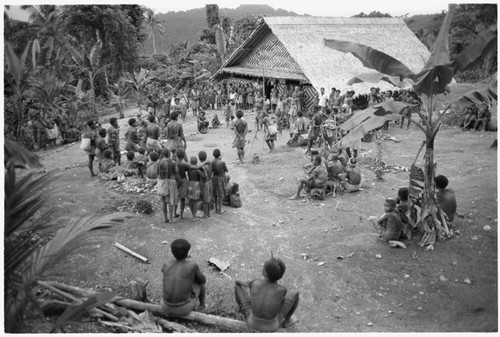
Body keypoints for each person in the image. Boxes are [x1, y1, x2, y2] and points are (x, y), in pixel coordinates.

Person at [234, 255, 299, 332]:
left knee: (238, 287)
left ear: (264, 272)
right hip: (272, 326)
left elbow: (237, 282)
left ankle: (241, 310)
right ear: (280, 276)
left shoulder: (255, 283)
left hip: (251, 323)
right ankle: (287, 321)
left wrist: (250, 284)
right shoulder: (282, 290)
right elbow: (279, 305)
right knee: (295, 293)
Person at [161, 239, 206, 317]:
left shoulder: (166, 264)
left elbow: (165, 272)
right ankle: (202, 306)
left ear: (172, 252)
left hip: (165, 307)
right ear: (187, 252)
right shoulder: (193, 265)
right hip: (183, 309)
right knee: (200, 283)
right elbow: (203, 280)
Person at [157, 149, 178, 223]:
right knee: (170, 201)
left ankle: (165, 218)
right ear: (169, 154)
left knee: (164, 201)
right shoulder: (172, 162)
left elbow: (158, 174)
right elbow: (176, 172)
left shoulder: (159, 162)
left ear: (162, 155)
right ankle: (171, 219)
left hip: (162, 183)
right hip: (171, 182)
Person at [187, 156, 205, 221]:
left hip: (189, 184)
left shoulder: (189, 169)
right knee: (195, 202)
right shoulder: (197, 170)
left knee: (191, 201)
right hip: (195, 185)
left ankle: (193, 214)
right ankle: (194, 217)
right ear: (196, 162)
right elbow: (203, 176)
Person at [211, 149, 228, 214]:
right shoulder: (222, 162)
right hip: (221, 178)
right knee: (220, 195)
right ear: (219, 154)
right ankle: (220, 210)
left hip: (214, 178)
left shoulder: (212, 162)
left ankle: (216, 209)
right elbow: (226, 170)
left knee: (215, 194)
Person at [175, 149, 190, 219]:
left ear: (176, 155)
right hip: (183, 181)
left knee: (176, 198)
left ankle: (174, 213)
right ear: (183, 156)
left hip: (176, 181)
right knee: (182, 199)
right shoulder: (184, 164)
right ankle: (181, 214)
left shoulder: (174, 163)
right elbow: (189, 168)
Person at [198, 151, 213, 218]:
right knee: (209, 199)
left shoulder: (202, 168)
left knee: (204, 200)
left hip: (205, 183)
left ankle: (205, 214)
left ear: (199, 158)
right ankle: (209, 213)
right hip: (210, 181)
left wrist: (200, 188)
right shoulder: (209, 165)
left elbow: (201, 178)